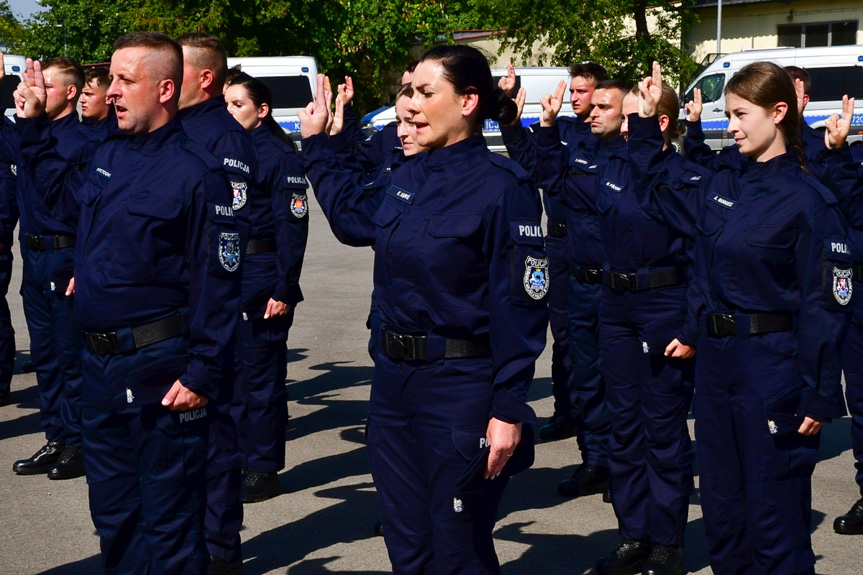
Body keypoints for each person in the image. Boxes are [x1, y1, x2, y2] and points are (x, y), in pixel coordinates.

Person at [301, 45, 548, 574]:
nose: (409, 105)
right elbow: (351, 221)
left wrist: (507, 408)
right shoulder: (405, 177)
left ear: (468, 101)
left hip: (460, 388)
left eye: (426, 93)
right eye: (408, 92)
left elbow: (522, 308)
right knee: (407, 544)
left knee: (458, 547)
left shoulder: (503, 188)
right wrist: (317, 145)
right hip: (393, 386)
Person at [13, 31, 241, 574]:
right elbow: (55, 197)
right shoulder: (107, 153)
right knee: (113, 515)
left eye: (124, 80)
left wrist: (205, 372)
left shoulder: (198, 172)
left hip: (160, 369)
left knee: (168, 522)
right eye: (110, 79)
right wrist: (34, 126)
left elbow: (219, 283)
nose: (111, 91)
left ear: (165, 89)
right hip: (99, 367)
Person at [630, 61, 851, 575]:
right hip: (716, 368)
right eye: (727, 114)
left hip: (771, 369)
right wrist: (644, 122)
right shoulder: (723, 187)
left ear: (778, 112)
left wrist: (818, 391)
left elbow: (827, 303)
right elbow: (657, 194)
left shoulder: (809, 202)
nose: (729, 125)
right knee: (724, 519)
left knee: (772, 522)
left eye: (739, 114)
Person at [536, 73, 700, 575]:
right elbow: (551, 177)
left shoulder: (683, 176)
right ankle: (634, 534)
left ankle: (667, 542)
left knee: (663, 431)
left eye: (633, 119)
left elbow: (704, 257)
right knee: (624, 427)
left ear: (660, 122)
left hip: (662, 307)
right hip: (616, 308)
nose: (624, 130)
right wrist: (541, 127)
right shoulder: (611, 169)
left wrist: (691, 328)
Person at [176, 31, 259, 574]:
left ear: (205, 77)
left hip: (209, 311)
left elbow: (226, 242)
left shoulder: (225, 141)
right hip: (166, 314)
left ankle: (221, 553)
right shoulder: (171, 131)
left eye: (174, 69)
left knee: (214, 442)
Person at [500, 62, 610, 447]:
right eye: (574, 91)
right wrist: (511, 122)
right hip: (558, 244)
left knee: (597, 342)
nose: (577, 98)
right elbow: (527, 162)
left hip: (593, 247)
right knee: (563, 335)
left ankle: (597, 420)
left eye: (584, 91)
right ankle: (568, 412)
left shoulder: (607, 134)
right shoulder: (559, 128)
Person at [2, 56, 92, 481]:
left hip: (65, 255)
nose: (35, 94)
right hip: (33, 256)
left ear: (71, 92)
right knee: (45, 355)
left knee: (71, 355)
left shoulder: (82, 142)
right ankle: (57, 434)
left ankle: (79, 440)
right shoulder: (23, 134)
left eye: (46, 87)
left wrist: (83, 264)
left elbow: (86, 211)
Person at [224, 72, 309, 503]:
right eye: (225, 103)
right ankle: (237, 455)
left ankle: (262, 466)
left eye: (237, 104)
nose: (229, 112)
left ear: (261, 110)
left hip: (262, 273)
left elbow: (292, 225)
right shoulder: (223, 148)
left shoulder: (277, 155)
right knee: (231, 375)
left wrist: (284, 287)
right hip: (227, 272)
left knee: (261, 378)